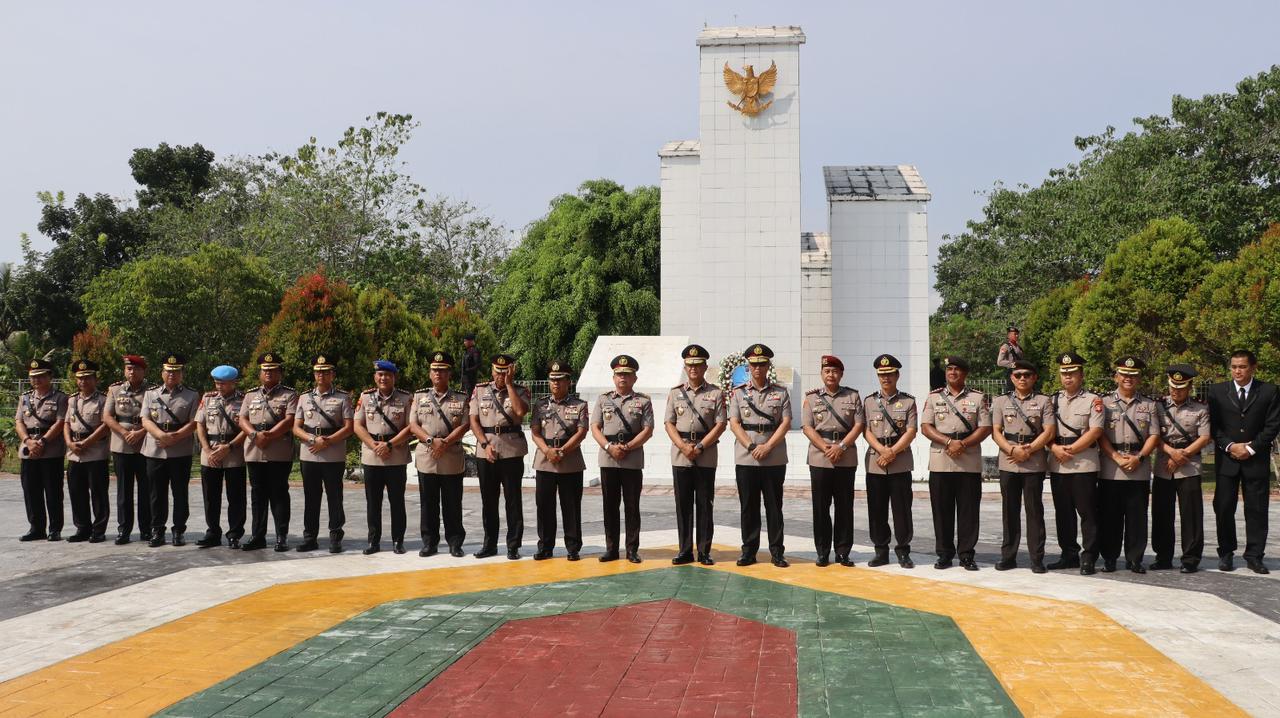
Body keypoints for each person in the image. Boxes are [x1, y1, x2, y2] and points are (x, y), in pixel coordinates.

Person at [1209, 349, 1280, 574]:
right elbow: (1213, 426)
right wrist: (1230, 446)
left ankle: (1255, 556)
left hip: (1255, 460)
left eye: (1242, 367)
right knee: (1224, 508)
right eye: (1233, 367)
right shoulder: (1217, 391)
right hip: (1227, 460)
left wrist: (1250, 448)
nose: (1237, 371)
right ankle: (1226, 553)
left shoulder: (1269, 391)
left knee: (1257, 509)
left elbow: (1272, 425)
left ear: (1253, 367)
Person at [921, 356, 992, 570]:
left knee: (968, 511)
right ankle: (944, 554)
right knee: (941, 511)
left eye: (957, 369)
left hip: (967, 461)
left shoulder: (978, 398)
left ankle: (966, 554)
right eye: (949, 369)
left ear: (965, 374)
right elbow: (926, 426)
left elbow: (985, 428)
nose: (953, 372)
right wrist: (949, 442)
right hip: (941, 460)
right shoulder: (934, 397)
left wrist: (962, 444)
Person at [728, 343, 792, 568]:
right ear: (748, 367)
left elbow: (785, 423)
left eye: (762, 364)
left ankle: (777, 551)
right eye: (753, 364)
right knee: (749, 506)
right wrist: (750, 446)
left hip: (773, 457)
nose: (757, 368)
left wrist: (767, 447)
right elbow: (734, 423)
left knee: (774, 506)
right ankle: (749, 551)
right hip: (747, 457)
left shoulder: (780, 392)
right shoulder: (738, 393)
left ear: (768, 366)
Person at [664, 344, 727, 566]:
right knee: (682, 505)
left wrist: (699, 447)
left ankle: (704, 551)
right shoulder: (675, 393)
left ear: (705, 367)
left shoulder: (715, 393)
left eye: (698, 365)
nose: (693, 369)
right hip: (681, 454)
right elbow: (669, 423)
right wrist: (683, 446)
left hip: (706, 454)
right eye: (690, 365)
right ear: (685, 367)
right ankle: (684, 550)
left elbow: (720, 425)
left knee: (704, 504)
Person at [990, 360, 1055, 572]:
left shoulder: (1044, 401)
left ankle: (1037, 558)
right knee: (1010, 510)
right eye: (1018, 375)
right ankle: (1008, 556)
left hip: (1033, 461)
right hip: (1008, 461)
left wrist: (1029, 449)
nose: (1022, 378)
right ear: (1012, 378)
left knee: (1034, 510)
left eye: (1027, 374)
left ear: (1034, 377)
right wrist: (1011, 450)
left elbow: (1049, 431)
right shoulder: (1000, 401)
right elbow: (996, 431)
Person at [1097, 356, 1160, 574]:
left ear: (1139, 379)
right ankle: (1110, 558)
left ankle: (1135, 559)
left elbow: (1154, 435)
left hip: (1138, 467)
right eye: (1124, 375)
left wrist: (1140, 457)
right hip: (1111, 468)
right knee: (1110, 516)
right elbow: (1099, 434)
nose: (1128, 379)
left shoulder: (1149, 405)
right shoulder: (1103, 403)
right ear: (1116, 376)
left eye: (1133, 376)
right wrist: (1114, 456)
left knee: (1137, 517)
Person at [800, 355, 865, 567]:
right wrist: (825, 447)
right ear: (822, 374)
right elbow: (808, 427)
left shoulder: (852, 396)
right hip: (820, 457)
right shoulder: (811, 398)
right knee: (821, 507)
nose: (831, 375)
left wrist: (842, 447)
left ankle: (843, 551)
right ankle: (822, 551)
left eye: (835, 371)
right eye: (827, 371)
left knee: (844, 507)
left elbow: (858, 425)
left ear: (841, 374)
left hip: (845, 457)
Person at [592, 355, 656, 563]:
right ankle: (611, 549)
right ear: (613, 378)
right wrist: (609, 447)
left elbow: (648, 430)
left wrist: (628, 447)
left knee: (631, 506)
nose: (623, 378)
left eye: (627, 375)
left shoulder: (643, 401)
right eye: (619, 375)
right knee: (609, 506)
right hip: (609, 457)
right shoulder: (603, 399)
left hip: (632, 457)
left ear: (634, 378)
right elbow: (595, 428)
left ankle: (631, 549)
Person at [1046, 352, 1105, 575]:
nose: (1068, 377)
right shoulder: (1052, 400)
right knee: (1063, 512)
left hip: (1083, 463)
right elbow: (1045, 430)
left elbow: (1096, 430)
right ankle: (1068, 554)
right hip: (1058, 462)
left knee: (1087, 512)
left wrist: (1071, 449)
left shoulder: (1093, 400)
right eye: (1064, 373)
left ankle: (1089, 555)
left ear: (1081, 375)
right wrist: (1054, 448)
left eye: (1072, 373)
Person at [468, 354, 531, 560]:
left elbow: (520, 412)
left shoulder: (521, 390)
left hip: (511, 450)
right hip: (486, 450)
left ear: (511, 372)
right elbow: (474, 420)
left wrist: (510, 385)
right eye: (497, 372)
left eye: (504, 372)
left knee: (513, 500)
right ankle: (490, 544)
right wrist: (485, 444)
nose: (500, 376)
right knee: (489, 500)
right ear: (491, 371)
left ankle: (513, 545)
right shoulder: (480, 391)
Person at [409, 351, 470, 558]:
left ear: (449, 374)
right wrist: (430, 441)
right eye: (435, 370)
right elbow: (413, 424)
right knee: (428, 502)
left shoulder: (460, 398)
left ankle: (455, 542)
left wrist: (444, 442)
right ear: (429, 373)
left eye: (442, 371)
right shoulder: (419, 396)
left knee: (453, 502)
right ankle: (429, 542)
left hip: (451, 455)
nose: (438, 374)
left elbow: (465, 425)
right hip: (427, 455)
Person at [1152, 365, 1211, 573]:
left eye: (1181, 387)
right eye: (1172, 387)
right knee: (1161, 513)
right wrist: (1171, 453)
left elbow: (1204, 437)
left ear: (1190, 387)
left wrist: (1181, 455)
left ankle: (1190, 558)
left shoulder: (1200, 408)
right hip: (1163, 464)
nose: (1175, 391)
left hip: (1189, 465)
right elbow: (1153, 436)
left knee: (1191, 515)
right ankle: (1163, 557)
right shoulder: (1157, 406)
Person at [292, 355, 354, 554]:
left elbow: (348, 427)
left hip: (333, 453)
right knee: (311, 496)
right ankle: (310, 537)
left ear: (332, 374)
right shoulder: (304, 398)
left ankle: (335, 536)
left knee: (334, 496)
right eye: (318, 372)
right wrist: (312, 440)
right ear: (314, 374)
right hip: (309, 452)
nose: (321, 375)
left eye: (325, 371)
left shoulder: (343, 397)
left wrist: (327, 441)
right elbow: (296, 427)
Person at [237, 352, 298, 552]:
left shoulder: (289, 395)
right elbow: (242, 419)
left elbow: (289, 420)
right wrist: (255, 435)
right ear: (260, 373)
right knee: (258, 495)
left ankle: (281, 536)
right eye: (265, 370)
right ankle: (258, 536)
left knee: (279, 494)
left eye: (273, 370)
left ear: (280, 372)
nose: (269, 373)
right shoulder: (250, 395)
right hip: (255, 450)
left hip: (278, 450)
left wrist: (269, 435)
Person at [530, 359, 589, 560]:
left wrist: (562, 450)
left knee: (571, 506)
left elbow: (582, 432)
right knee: (544, 506)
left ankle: (573, 548)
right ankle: (545, 546)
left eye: (560, 380)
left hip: (570, 460)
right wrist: (547, 450)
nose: (556, 383)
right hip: (545, 460)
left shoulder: (579, 405)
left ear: (568, 382)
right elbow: (535, 432)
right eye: (552, 380)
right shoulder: (540, 404)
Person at [863, 354, 917, 568]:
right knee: (876, 509)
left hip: (900, 460)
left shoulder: (908, 401)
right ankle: (881, 551)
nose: (886, 378)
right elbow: (865, 430)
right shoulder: (868, 401)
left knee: (902, 509)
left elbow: (911, 431)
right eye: (882, 375)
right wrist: (881, 451)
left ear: (897, 375)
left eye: (890, 374)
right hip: (876, 461)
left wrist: (892, 451)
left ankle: (903, 551)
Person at [354, 360, 413, 555]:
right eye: (380, 374)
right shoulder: (365, 397)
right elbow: (357, 425)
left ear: (394, 377)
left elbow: (410, 428)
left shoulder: (405, 398)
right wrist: (373, 446)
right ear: (375, 377)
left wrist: (389, 444)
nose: (383, 378)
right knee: (373, 502)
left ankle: (398, 540)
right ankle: (373, 541)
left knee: (397, 501)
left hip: (395, 455)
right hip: (372, 456)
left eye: (387, 375)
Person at [140, 354, 199, 547]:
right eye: (168, 371)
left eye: (176, 371)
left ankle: (178, 530)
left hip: (180, 450)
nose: (172, 375)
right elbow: (146, 419)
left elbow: (193, 423)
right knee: (156, 493)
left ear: (181, 373)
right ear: (162, 373)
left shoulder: (191, 395)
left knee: (180, 493)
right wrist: (160, 435)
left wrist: (174, 437)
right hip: (155, 450)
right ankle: (157, 530)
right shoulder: (151, 393)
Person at [195, 365, 248, 549]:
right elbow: (200, 425)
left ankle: (234, 533)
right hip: (210, 450)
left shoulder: (244, 400)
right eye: (217, 383)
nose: (219, 386)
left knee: (236, 496)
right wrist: (207, 449)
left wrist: (230, 446)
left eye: (223, 383)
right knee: (210, 496)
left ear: (234, 382)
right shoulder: (208, 398)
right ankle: (213, 532)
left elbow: (246, 428)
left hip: (234, 451)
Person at [16, 359, 68, 542]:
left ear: (50, 377)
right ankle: (36, 528)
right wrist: (28, 441)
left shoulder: (60, 398)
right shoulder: (25, 398)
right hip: (28, 449)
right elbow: (19, 422)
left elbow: (61, 422)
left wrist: (43, 441)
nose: (36, 380)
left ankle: (55, 528)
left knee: (53, 491)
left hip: (51, 449)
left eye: (40, 376)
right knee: (31, 491)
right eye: (33, 377)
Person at [104, 355, 152, 544]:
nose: (132, 372)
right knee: (124, 491)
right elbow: (107, 416)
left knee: (146, 490)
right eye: (129, 369)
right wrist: (124, 433)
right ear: (125, 370)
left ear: (143, 371)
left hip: (144, 444)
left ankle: (146, 529)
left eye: (136, 369)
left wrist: (139, 433)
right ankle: (124, 530)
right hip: (121, 444)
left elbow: (155, 417)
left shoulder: (152, 391)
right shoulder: (115, 390)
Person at [64, 360, 111, 543]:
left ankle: (99, 530)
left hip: (95, 452)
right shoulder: (72, 400)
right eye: (80, 378)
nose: (83, 381)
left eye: (87, 378)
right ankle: (82, 528)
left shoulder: (103, 400)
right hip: (75, 452)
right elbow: (67, 423)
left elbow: (105, 425)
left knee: (98, 493)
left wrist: (87, 442)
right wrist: (69, 442)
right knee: (77, 492)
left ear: (95, 379)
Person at [996, 326, 1024, 392]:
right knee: (1011, 393)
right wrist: (1012, 364)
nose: (1017, 336)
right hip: (1012, 373)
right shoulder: (1006, 346)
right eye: (1015, 334)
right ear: (1009, 335)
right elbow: (999, 362)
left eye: (1017, 334)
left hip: (1020, 372)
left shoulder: (1019, 347)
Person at [460, 333, 481, 398]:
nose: (464, 343)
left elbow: (478, 365)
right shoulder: (467, 352)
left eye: (465, 341)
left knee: (470, 397)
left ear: (470, 341)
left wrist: (468, 371)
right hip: (465, 379)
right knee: (464, 396)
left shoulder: (475, 351)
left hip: (471, 379)